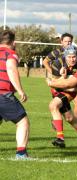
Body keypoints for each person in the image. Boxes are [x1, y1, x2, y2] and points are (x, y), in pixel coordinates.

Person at [45, 45, 77, 148]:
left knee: (53, 105)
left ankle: (60, 138)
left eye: (74, 57)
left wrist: (69, 87)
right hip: (56, 91)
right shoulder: (57, 63)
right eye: (69, 57)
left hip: (71, 92)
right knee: (70, 118)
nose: (72, 59)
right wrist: (63, 78)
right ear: (65, 57)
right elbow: (54, 82)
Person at [0, 30, 30, 159]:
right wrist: (20, 90)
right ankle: (21, 153)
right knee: (23, 122)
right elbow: (11, 69)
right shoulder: (11, 54)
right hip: (3, 94)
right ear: (13, 42)